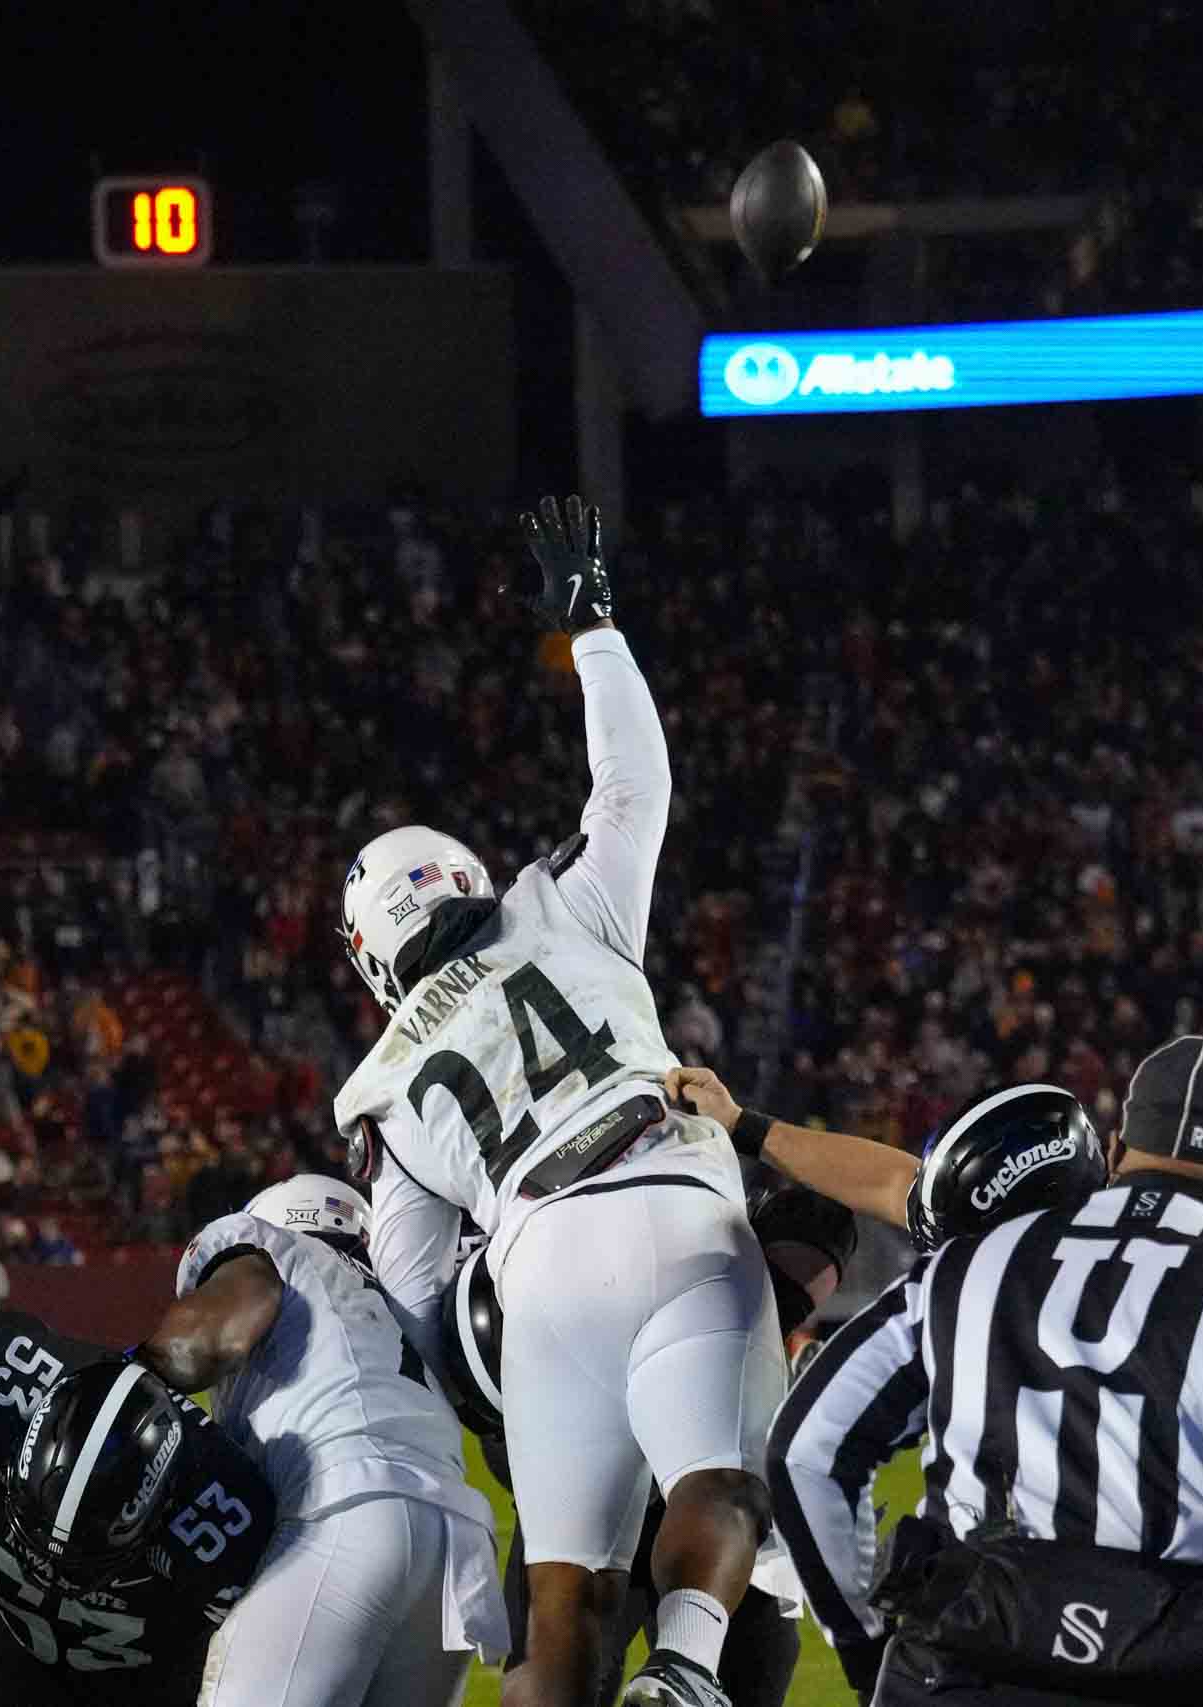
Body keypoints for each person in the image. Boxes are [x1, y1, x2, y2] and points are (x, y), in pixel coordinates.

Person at [334, 496, 779, 1707]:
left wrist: (483, 1388)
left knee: (564, 1591)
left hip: (535, 1262)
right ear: (468, 878)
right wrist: (591, 629)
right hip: (667, 1186)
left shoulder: (376, 1090)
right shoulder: (559, 904)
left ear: (373, 954)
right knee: (721, 1478)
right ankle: (683, 1672)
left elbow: (419, 1286)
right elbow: (633, 787)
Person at [768, 1037, 1203, 1707]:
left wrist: (867, 1651)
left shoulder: (970, 1260)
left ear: (1118, 1151)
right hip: (1171, 1677)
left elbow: (806, 1450)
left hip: (955, 1673)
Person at [739, 1082, 1109, 1697]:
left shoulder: (950, 1292)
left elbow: (807, 1451)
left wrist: (863, 1648)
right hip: (1161, 1640)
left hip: (980, 1644)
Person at [434, 1182, 862, 1707]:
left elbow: (821, 1223)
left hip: (683, 1519)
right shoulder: (551, 1285)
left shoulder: (669, 1264)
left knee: (729, 1671)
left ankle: (682, 1664)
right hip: (619, 1518)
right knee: (565, 1676)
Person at [135, 1174, 505, 1705]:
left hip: (343, 1510)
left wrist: (115, 1377)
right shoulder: (391, 1312)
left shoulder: (264, 1244)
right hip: (456, 1549)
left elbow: (202, 1343)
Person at [0, 1307, 275, 1704]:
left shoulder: (228, 1527)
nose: (50, 1573)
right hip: (6, 1627)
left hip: (136, 1680)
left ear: (164, 1508)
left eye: (79, 1560)